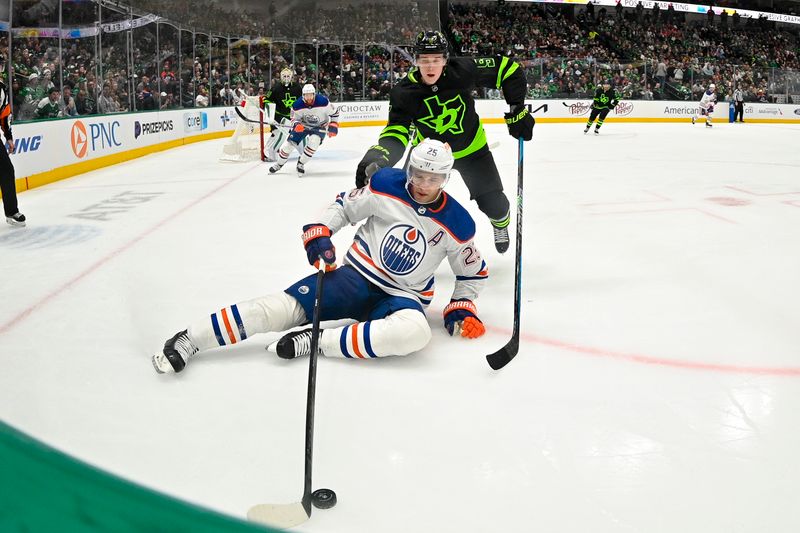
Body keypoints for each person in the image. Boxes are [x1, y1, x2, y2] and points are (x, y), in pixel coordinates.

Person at [152, 139, 488, 373]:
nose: (424, 183)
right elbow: (344, 206)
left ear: (446, 178)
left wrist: (460, 305)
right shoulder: (386, 183)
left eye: (434, 178)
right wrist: (320, 231)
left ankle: (317, 342)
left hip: (403, 296)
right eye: (418, 174)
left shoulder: (458, 222)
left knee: (416, 334)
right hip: (353, 278)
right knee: (278, 309)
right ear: (410, 167)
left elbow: (472, 273)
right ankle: (191, 338)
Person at [354, 30, 534, 254]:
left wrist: (517, 109)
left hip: (472, 149)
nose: (430, 67)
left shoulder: (463, 70)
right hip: (426, 158)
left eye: (436, 60)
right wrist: (381, 153)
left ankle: (500, 223)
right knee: (407, 205)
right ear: (416, 60)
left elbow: (508, 69)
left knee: (495, 205)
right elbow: (397, 130)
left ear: (445, 60)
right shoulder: (404, 92)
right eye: (425, 60)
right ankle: (410, 245)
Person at [268, 83, 339, 177]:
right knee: (288, 146)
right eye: (306, 95)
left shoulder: (323, 102)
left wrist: (333, 125)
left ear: (314, 94)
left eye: (311, 95)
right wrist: (296, 124)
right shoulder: (297, 105)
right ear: (303, 95)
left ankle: (301, 163)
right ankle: (279, 164)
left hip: (319, 126)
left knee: (313, 143)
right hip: (303, 125)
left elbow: (335, 113)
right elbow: (293, 118)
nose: (309, 97)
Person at [0, 55, 25, 227]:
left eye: (1, 65)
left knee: (7, 170)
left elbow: (3, 115)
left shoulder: (1, 88)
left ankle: (11, 211)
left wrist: (8, 137)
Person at [263, 68, 303, 162]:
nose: (286, 78)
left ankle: (304, 152)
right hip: (279, 115)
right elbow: (267, 100)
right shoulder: (276, 88)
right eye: (284, 76)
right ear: (281, 77)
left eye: (288, 76)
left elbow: (303, 100)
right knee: (281, 132)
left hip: (293, 115)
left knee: (299, 132)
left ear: (291, 77)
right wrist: (269, 113)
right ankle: (272, 153)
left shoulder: (297, 87)